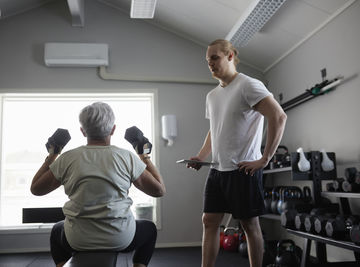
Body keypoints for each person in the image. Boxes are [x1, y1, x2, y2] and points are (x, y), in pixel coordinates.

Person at [188, 39, 287, 267]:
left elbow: (279, 117)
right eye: (207, 60)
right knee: (209, 221)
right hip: (217, 169)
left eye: (215, 57)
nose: (210, 64)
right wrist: (201, 156)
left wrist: (265, 159)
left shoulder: (248, 85)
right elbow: (215, 130)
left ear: (230, 56)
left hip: (242, 169)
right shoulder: (212, 96)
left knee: (250, 225)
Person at [30, 102, 166, 267]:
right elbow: (159, 190)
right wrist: (143, 155)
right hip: (120, 238)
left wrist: (53, 155)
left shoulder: (67, 158)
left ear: (82, 131)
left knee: (57, 230)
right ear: (113, 129)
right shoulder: (126, 157)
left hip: (77, 240)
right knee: (149, 229)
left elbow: (36, 189)